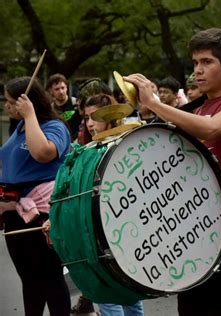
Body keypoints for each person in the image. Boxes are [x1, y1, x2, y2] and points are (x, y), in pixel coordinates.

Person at [124, 27, 221, 316]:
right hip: (192, 226)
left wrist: (154, 104)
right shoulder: (197, 107)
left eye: (207, 62)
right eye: (195, 63)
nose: (198, 70)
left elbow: (213, 128)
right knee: (189, 310)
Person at [0, 77, 71, 315]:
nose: (7, 106)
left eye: (11, 101)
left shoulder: (54, 126)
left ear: (27, 101)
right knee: (29, 279)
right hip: (14, 214)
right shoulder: (18, 128)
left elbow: (43, 153)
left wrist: (30, 117)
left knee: (50, 277)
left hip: (41, 214)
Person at [81, 94, 145, 316]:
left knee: (123, 296)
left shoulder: (125, 145)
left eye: (94, 117)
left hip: (125, 232)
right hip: (101, 233)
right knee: (115, 296)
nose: (89, 123)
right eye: (86, 118)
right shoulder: (88, 150)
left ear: (110, 116)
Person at [46, 73, 81, 140]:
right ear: (51, 91)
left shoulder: (76, 103)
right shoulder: (51, 109)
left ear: (66, 88)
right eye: (57, 89)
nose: (61, 92)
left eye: (63, 88)